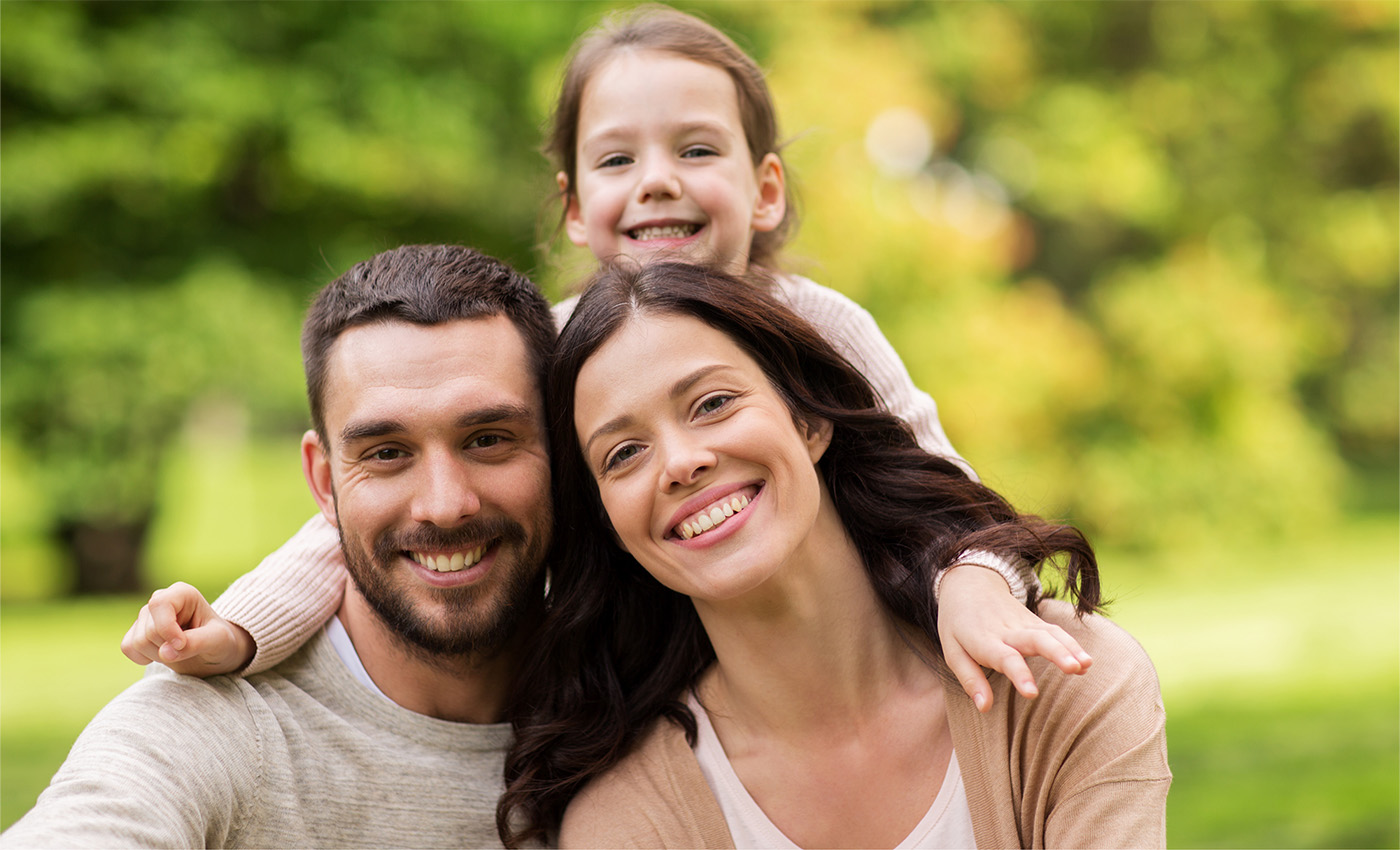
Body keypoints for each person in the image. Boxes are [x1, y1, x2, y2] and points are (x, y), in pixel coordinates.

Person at [122, 4, 1088, 711]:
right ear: (577, 205)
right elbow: (368, 509)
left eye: (697, 150)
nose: (658, 181)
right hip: (650, 686)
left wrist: (976, 582)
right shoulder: (552, 349)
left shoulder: (819, 326)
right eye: (619, 160)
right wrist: (244, 627)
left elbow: (943, 493)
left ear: (765, 188)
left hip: (843, 675)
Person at [499, 261, 1171, 849]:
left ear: (809, 420)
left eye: (712, 403)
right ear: (611, 526)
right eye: (623, 454)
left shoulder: (1058, 685)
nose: (680, 462)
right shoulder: (629, 820)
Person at [2, 245, 557, 848]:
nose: (445, 504)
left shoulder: (642, 693)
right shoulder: (216, 730)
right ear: (324, 482)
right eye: (387, 453)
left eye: (488, 439)